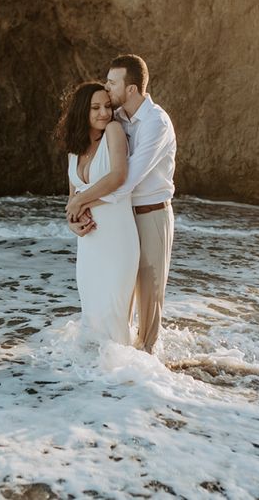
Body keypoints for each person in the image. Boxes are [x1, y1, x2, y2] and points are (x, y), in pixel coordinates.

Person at [66, 55, 176, 354]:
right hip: (120, 217)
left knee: (149, 297)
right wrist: (75, 210)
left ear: (131, 89)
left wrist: (80, 202)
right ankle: (121, 363)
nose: (107, 87)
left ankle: (150, 365)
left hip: (151, 214)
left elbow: (126, 179)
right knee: (119, 297)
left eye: (112, 83)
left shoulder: (156, 122)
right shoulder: (118, 120)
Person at [56, 81, 139, 345]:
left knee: (114, 314)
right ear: (82, 111)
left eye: (107, 106)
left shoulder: (114, 131)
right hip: (89, 244)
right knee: (92, 313)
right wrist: (72, 223)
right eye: (95, 107)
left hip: (117, 239)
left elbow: (117, 176)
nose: (104, 112)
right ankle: (96, 381)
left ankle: (126, 375)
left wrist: (79, 202)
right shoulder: (74, 150)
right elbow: (72, 200)